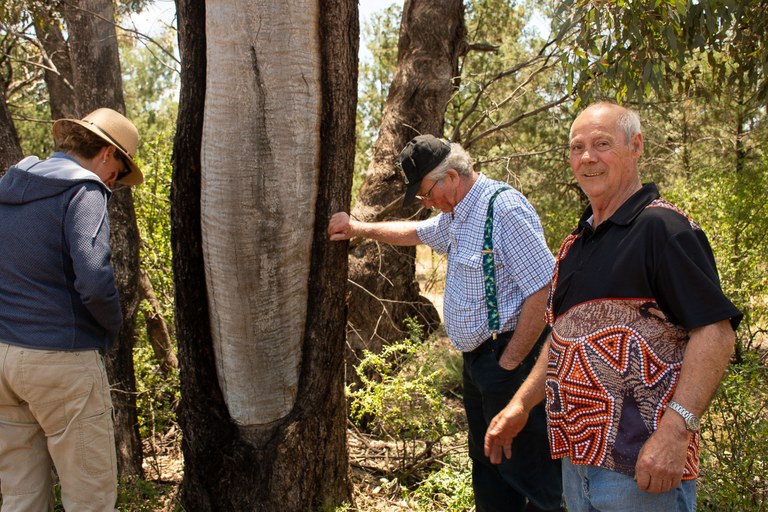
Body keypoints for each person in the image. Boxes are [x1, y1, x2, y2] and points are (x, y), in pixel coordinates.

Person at [484, 102, 742, 512]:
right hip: (577, 465)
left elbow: (715, 331)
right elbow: (563, 338)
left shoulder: (662, 228)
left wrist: (675, 432)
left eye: (602, 144)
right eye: (577, 147)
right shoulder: (574, 246)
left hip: (642, 470)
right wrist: (521, 404)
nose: (587, 157)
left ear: (635, 146)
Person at [328, 135, 563, 511]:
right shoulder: (456, 215)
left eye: (425, 194)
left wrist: (509, 362)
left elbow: (544, 288)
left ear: (450, 177)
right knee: (489, 466)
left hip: (508, 360)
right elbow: (415, 233)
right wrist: (359, 229)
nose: (425, 204)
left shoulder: (502, 209)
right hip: (479, 364)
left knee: (532, 473)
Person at [0, 108, 143, 511]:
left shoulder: (10, 187)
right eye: (120, 164)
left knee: (21, 494)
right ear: (105, 153)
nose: (116, 177)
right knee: (90, 495)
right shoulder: (85, 191)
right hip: (60, 359)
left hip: (3, 359)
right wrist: (110, 330)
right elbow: (95, 279)